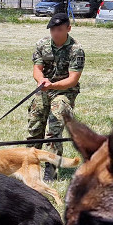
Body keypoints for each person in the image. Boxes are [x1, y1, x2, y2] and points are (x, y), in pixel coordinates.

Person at [27, 13, 83, 183]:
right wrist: (41, 79)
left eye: (59, 29)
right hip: (44, 88)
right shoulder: (42, 45)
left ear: (68, 28)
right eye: (52, 30)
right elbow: (37, 69)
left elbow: (73, 79)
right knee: (34, 126)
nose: (55, 33)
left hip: (65, 92)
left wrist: (52, 85)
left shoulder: (76, 50)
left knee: (54, 126)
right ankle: (29, 163)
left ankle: (50, 169)